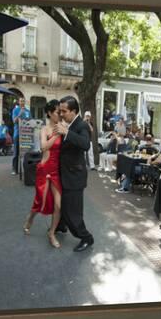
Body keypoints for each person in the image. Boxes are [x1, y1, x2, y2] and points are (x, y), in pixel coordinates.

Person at [53, 96, 94, 252]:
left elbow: (85, 144)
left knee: (73, 212)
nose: (61, 114)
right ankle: (61, 226)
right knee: (63, 205)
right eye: (60, 110)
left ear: (74, 111)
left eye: (64, 111)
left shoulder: (81, 125)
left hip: (74, 177)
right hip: (66, 174)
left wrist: (67, 132)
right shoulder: (70, 123)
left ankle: (86, 238)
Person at [23, 100, 63, 248]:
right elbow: (43, 147)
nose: (60, 114)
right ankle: (30, 218)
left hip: (57, 171)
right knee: (40, 200)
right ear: (49, 113)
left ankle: (51, 232)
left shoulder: (63, 128)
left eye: (61, 112)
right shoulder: (45, 129)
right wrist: (56, 134)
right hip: (45, 168)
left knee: (58, 205)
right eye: (57, 112)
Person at [11, 97, 31, 175]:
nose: (22, 102)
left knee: (26, 153)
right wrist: (20, 113)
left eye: (23, 101)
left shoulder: (28, 111)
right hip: (17, 134)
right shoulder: (15, 110)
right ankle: (14, 169)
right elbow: (14, 121)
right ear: (19, 102)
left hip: (26, 134)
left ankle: (26, 169)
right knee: (16, 153)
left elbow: (31, 121)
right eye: (21, 101)